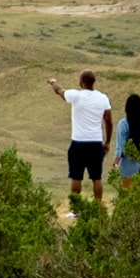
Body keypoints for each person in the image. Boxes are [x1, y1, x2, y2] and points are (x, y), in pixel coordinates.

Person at [47, 69, 113, 203]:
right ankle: (98, 206)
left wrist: (53, 82)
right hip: (95, 143)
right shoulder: (103, 98)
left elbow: (59, 91)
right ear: (93, 82)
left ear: (82, 82)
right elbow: (108, 121)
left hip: (78, 143)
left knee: (76, 177)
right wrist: (107, 142)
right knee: (97, 177)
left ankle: (76, 209)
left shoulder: (76, 95)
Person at [114, 93, 140, 188]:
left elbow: (121, 148)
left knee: (127, 197)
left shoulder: (123, 124)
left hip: (128, 167)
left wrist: (115, 164)